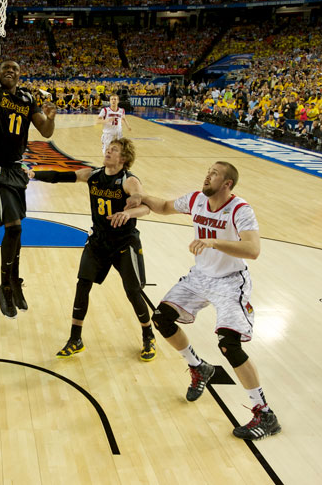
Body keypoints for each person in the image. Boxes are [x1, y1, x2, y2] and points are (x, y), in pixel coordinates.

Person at [126, 162, 281, 441]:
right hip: (200, 276)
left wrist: (213, 242)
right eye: (208, 171)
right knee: (161, 318)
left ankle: (265, 414)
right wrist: (142, 197)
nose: (207, 176)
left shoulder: (240, 209)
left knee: (229, 344)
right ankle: (199, 367)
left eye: (215, 174)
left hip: (230, 281)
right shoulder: (197, 200)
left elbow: (253, 249)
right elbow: (165, 206)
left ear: (227, 184)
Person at [29, 138, 155, 360]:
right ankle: (75, 339)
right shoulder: (93, 175)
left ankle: (148, 335)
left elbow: (144, 206)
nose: (108, 151)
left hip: (124, 243)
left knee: (133, 291)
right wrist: (34, 174)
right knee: (83, 285)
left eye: (114, 150)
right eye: (108, 148)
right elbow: (61, 176)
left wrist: (129, 210)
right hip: (98, 241)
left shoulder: (129, 180)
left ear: (123, 158)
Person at [0, 31, 57, 319]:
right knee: (14, 227)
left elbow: (45, 131)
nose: (10, 71)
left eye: (14, 69)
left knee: (17, 230)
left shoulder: (27, 98)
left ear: (19, 75)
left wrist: (51, 116)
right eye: (5, 67)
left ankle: (14, 281)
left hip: (16, 169)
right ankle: (5, 286)